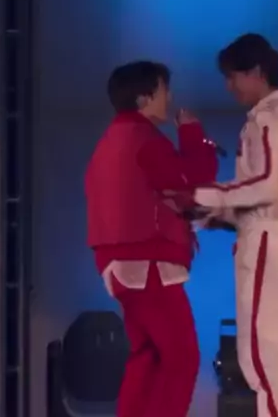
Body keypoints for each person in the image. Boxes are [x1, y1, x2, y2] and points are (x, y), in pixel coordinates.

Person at [84, 61, 218, 417]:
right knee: (181, 358)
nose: (168, 98)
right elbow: (194, 177)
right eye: (163, 90)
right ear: (144, 97)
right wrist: (193, 134)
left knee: (147, 356)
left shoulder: (110, 140)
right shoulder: (144, 140)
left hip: (119, 264)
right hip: (148, 262)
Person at [194, 34, 278, 417]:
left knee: (258, 356)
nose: (230, 86)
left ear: (257, 72)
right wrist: (221, 215)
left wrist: (207, 195)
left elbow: (267, 184)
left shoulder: (268, 117)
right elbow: (274, 193)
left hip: (267, 244)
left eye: (233, 76)